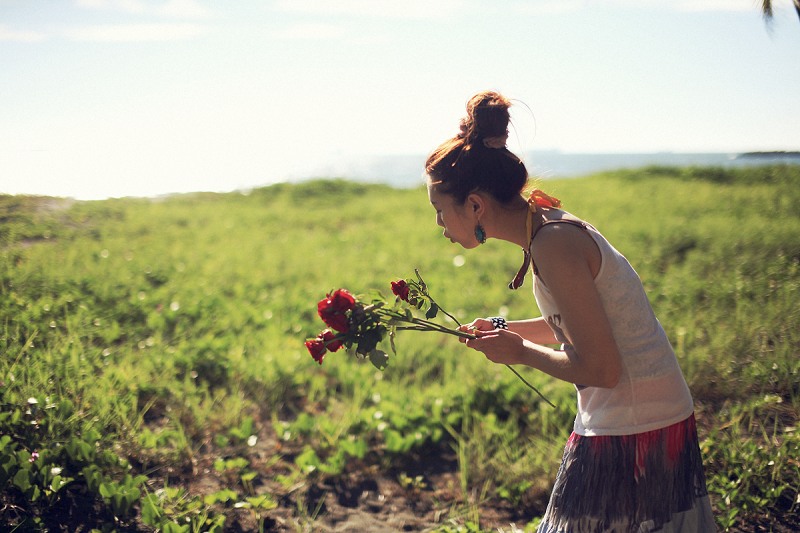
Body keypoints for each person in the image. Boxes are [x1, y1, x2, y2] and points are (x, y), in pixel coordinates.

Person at [424, 90, 717, 532]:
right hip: (641, 414)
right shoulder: (546, 227)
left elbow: (601, 368)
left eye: (439, 210)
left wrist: (520, 352)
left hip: (636, 424)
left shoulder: (553, 243)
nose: (439, 224)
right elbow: (576, 325)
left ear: (476, 205)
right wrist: (502, 329)